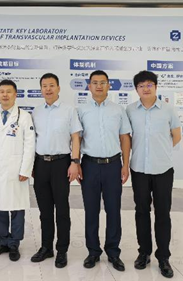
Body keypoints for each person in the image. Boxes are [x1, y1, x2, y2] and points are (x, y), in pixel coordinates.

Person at [126, 71, 181, 279]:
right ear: (136, 89)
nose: (145, 88)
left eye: (149, 84)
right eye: (141, 85)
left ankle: (163, 257)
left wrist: (160, 151)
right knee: (141, 211)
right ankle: (144, 253)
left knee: (163, 213)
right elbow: (126, 138)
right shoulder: (130, 110)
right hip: (139, 169)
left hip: (163, 169)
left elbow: (176, 136)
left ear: (156, 87)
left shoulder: (168, 109)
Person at [77, 70, 132, 272]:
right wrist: (76, 163)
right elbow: (77, 138)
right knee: (91, 210)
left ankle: (113, 252)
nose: (99, 86)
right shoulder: (81, 110)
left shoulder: (118, 110)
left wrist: (125, 165)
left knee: (113, 210)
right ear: (89, 86)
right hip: (89, 165)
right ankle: (93, 252)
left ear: (109, 85)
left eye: (102, 82)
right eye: (95, 82)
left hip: (113, 165)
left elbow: (125, 138)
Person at [30, 73, 82, 268]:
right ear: (41, 89)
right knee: (44, 210)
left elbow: (75, 137)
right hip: (40, 163)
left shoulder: (69, 110)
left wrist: (75, 162)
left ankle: (62, 250)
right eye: (44, 86)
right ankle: (46, 247)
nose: (48, 89)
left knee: (61, 209)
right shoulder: (36, 112)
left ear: (59, 88)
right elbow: (32, 140)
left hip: (61, 163)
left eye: (52, 85)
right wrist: (31, 165)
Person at [0, 79, 35, 262]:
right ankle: (3, 241)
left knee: (17, 208)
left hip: (16, 171)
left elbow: (30, 145)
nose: (5, 95)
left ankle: (14, 244)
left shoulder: (24, 117)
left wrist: (25, 169)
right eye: (2, 91)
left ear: (15, 94)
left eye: (9, 91)